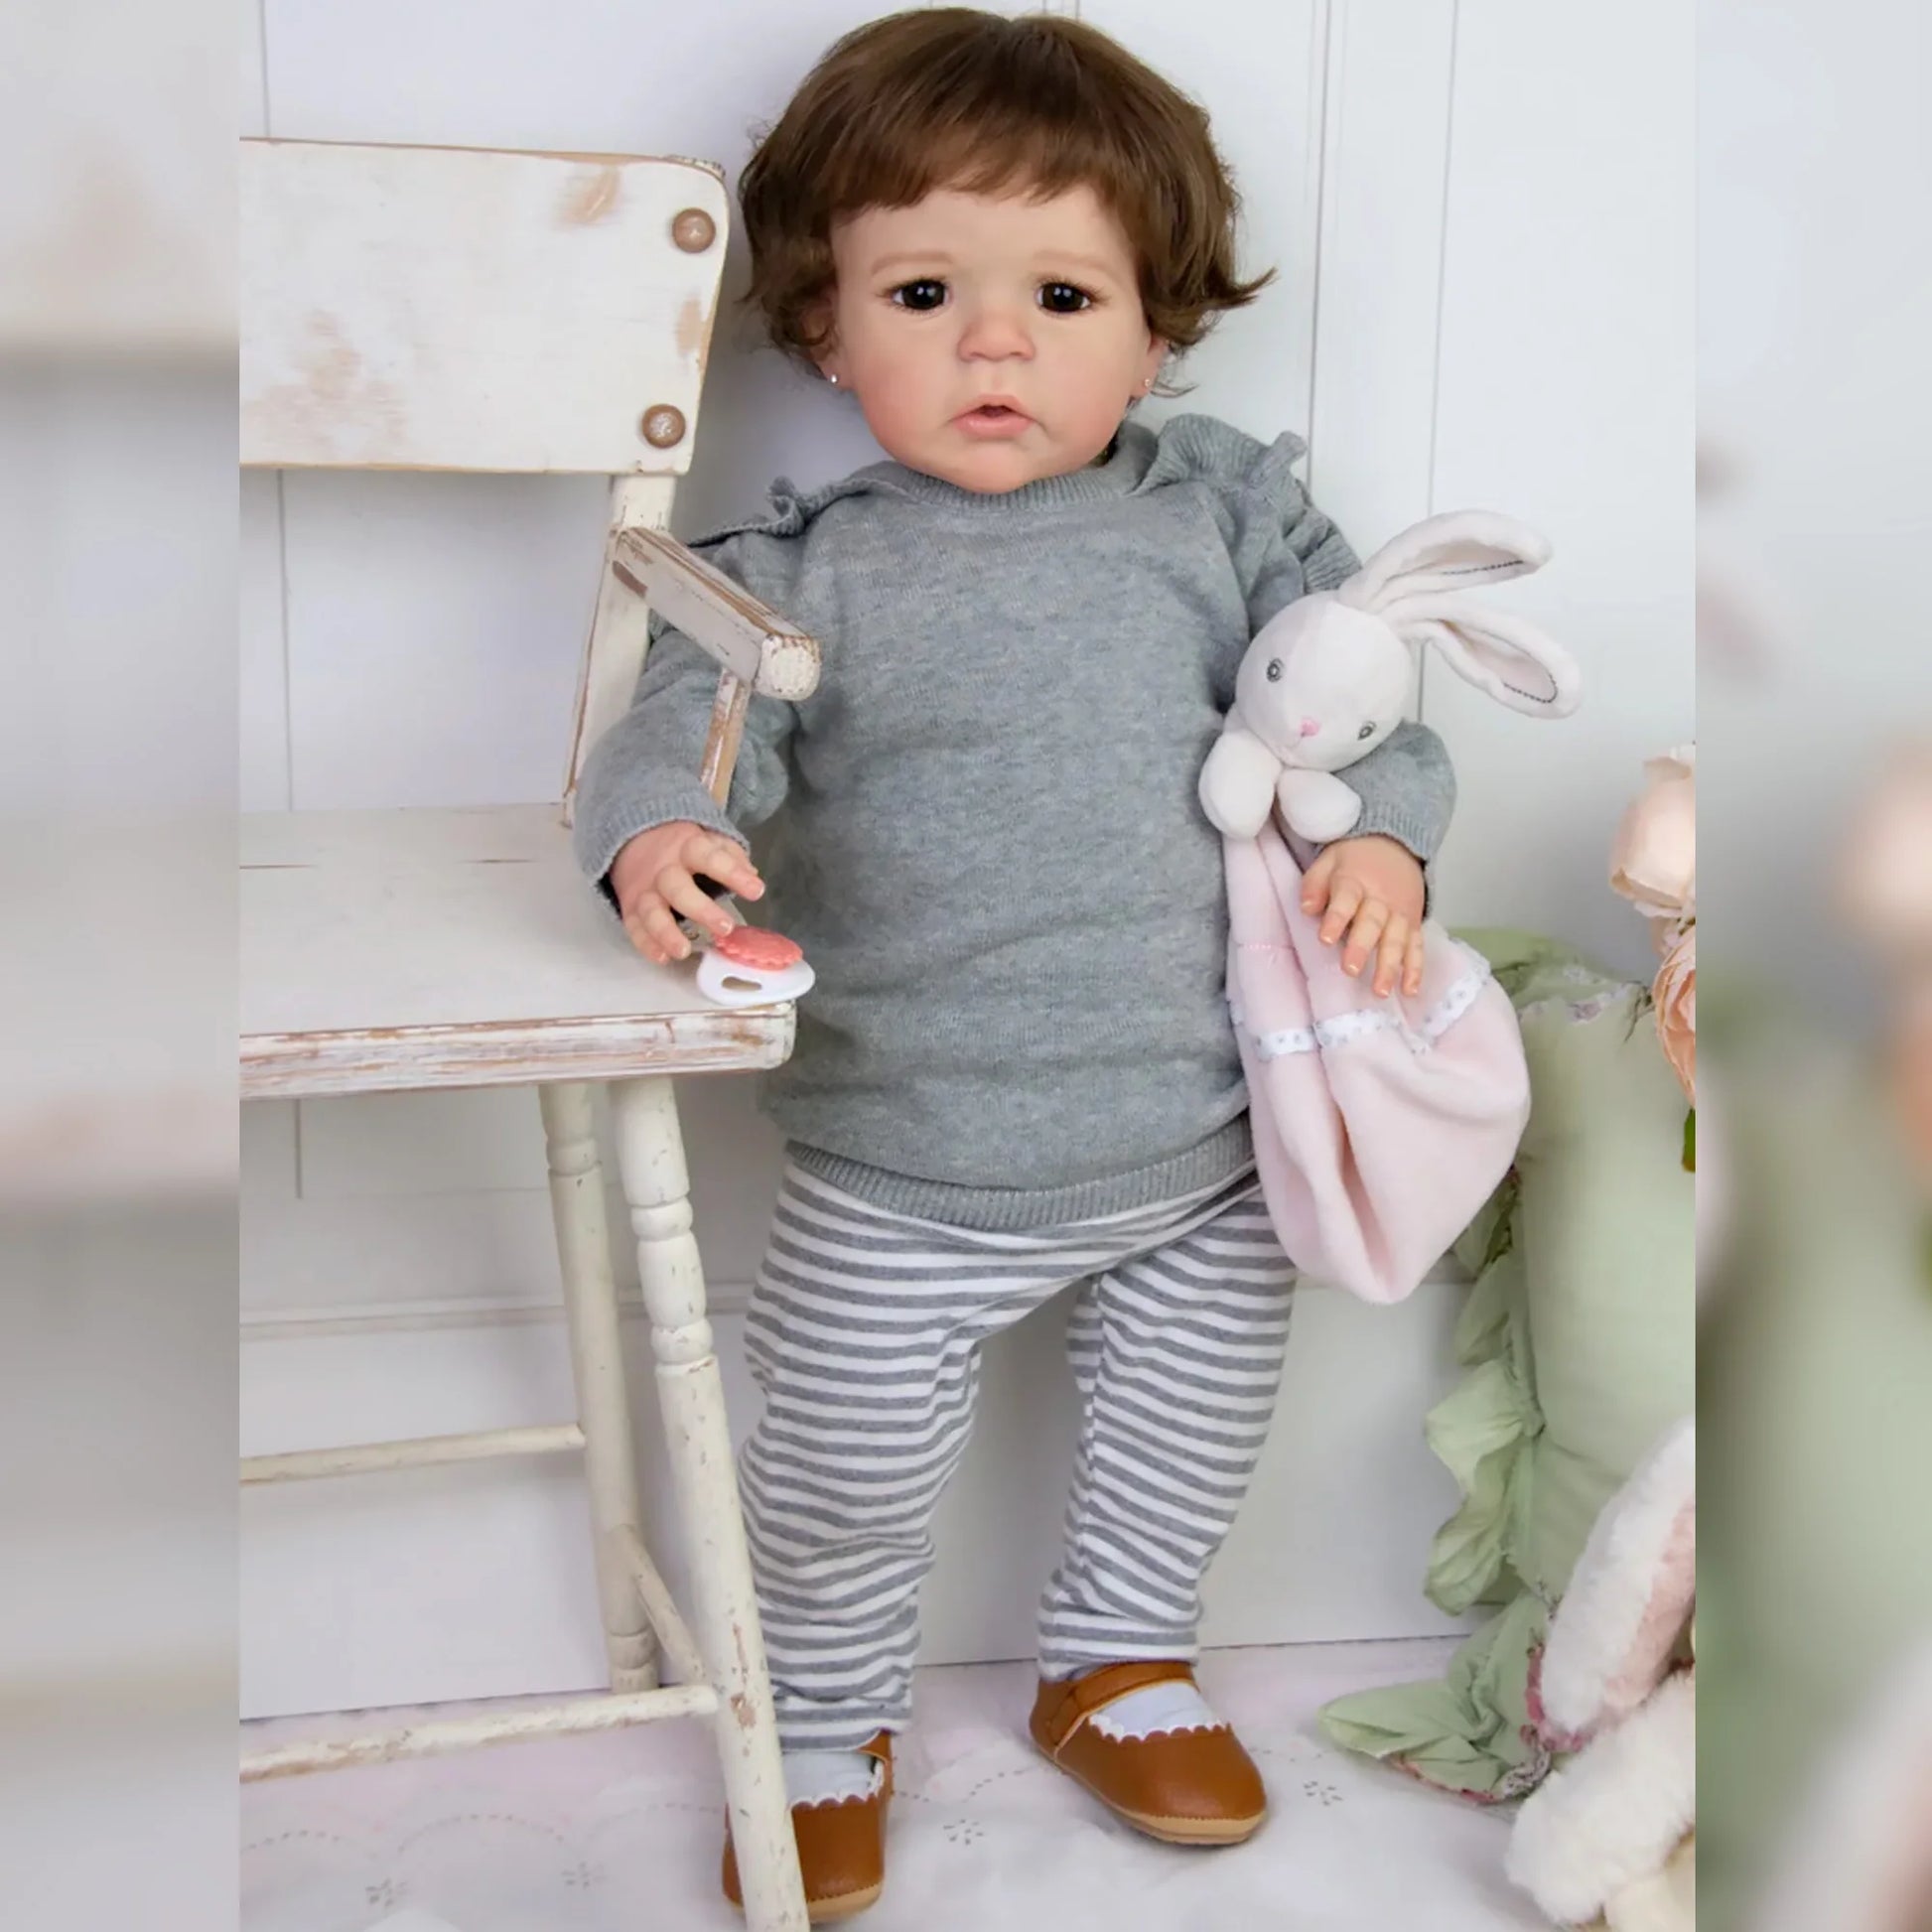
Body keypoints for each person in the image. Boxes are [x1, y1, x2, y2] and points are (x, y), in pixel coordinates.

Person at [574, 10, 1455, 1918]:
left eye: (1061, 295)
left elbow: (1362, 691)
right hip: (904, 1149)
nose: (995, 343)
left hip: (1199, 1140)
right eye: (924, 291)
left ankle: (1116, 1660)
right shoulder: (800, 568)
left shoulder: (1215, 513)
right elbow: (673, 735)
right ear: (824, 328)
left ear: (1155, 332)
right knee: (838, 1466)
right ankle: (822, 1714)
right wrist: (654, 834)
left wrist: (1385, 833)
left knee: (1183, 1431)